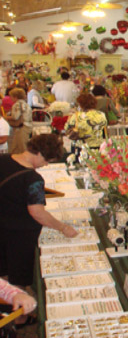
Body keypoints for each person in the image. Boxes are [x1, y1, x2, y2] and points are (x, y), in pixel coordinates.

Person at [0, 135, 78, 293]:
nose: (45, 165)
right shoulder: (33, 179)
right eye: (46, 161)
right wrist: (63, 227)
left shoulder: (4, 159)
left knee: (4, 271)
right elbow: (37, 213)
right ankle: (20, 315)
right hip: (18, 236)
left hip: (2, 228)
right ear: (40, 154)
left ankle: (6, 305)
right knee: (18, 278)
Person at [5, 88, 32, 154]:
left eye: (11, 96)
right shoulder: (25, 104)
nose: (10, 98)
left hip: (21, 127)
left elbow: (15, 116)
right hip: (27, 126)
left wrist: (6, 117)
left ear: (15, 97)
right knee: (15, 146)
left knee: (22, 146)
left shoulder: (17, 104)